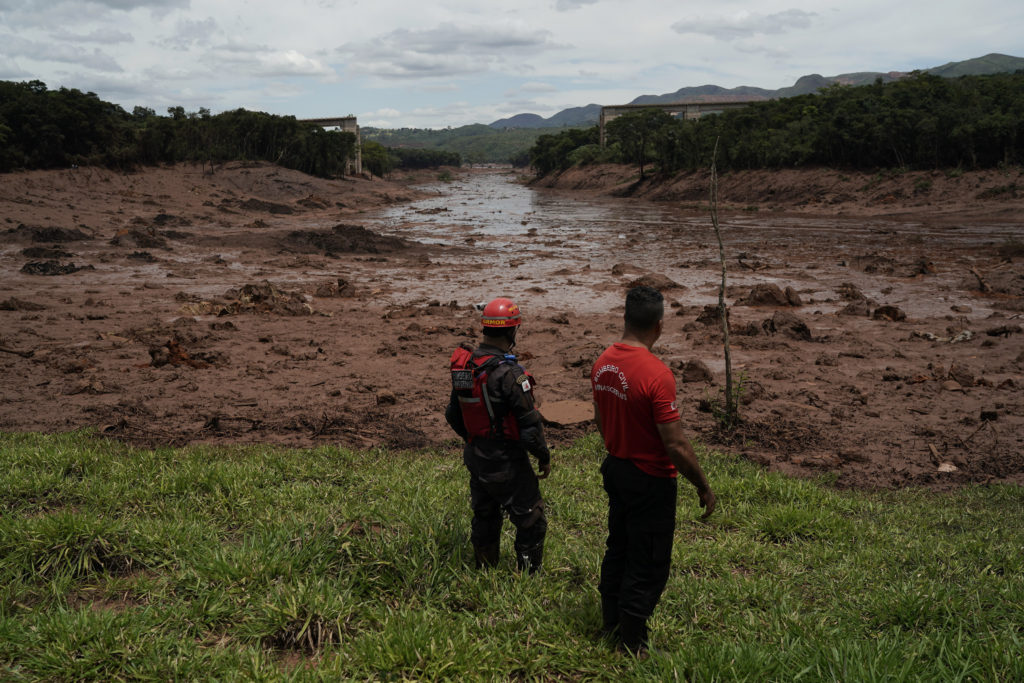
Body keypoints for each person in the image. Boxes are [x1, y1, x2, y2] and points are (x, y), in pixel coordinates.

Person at [591, 285, 716, 654]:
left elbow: (600, 418)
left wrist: (620, 445)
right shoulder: (657, 374)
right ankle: (632, 643)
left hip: (616, 468)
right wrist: (703, 484)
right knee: (648, 560)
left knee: (619, 548)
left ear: (625, 318)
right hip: (651, 480)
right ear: (659, 326)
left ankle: (611, 624)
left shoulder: (603, 362)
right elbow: (675, 444)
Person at [445, 297, 552, 573]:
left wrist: (476, 439)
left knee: (485, 514)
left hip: (477, 456)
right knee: (532, 519)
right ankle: (528, 577)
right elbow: (530, 429)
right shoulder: (513, 376)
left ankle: (484, 569)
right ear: (512, 331)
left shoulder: (465, 368)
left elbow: (452, 415)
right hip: (506, 459)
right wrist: (543, 456)